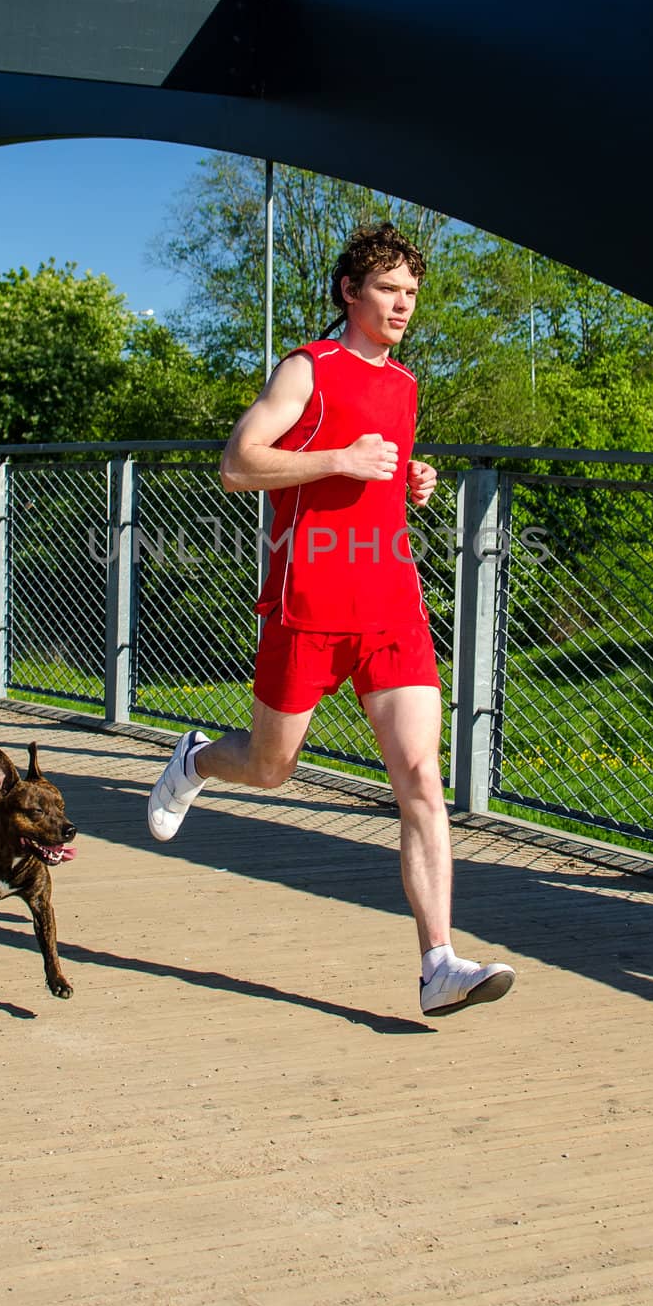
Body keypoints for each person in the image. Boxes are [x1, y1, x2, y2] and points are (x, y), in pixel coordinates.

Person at [147, 222, 515, 1017]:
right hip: (307, 604)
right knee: (271, 766)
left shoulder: (408, 385)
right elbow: (239, 464)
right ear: (351, 292)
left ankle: (439, 962)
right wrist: (339, 460)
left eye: (412, 293)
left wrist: (408, 479)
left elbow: (375, 477)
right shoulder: (307, 368)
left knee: (420, 776)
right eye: (388, 289)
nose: (403, 304)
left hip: (389, 603)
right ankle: (197, 762)